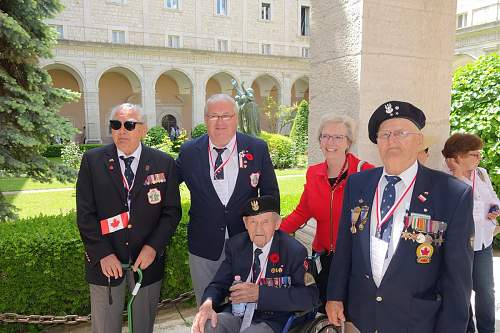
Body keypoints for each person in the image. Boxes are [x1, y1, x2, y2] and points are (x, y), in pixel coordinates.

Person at [326, 100, 474, 333]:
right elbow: (346, 245)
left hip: (415, 321)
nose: (391, 140)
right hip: (362, 318)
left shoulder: (452, 193)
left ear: (419, 141)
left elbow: (457, 278)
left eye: (401, 133)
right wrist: (334, 295)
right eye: (384, 134)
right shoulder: (358, 183)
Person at [76, 103, 182, 333]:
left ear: (143, 130)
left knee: (142, 327)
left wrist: (153, 247)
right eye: (116, 124)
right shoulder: (92, 162)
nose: (122, 130)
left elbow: (171, 212)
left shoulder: (164, 163)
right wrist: (102, 254)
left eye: (129, 125)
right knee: (104, 328)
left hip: (147, 264)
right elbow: (85, 214)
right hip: (105, 265)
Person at [176, 94, 279, 305]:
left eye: (226, 115)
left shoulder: (256, 148)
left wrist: (265, 233)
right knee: (207, 309)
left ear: (236, 118)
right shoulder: (189, 152)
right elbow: (166, 189)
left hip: (246, 244)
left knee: (244, 309)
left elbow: (271, 195)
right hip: (203, 248)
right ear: (205, 119)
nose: (220, 122)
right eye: (214, 116)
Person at [280, 114, 373, 310]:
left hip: (354, 259)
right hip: (323, 257)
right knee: (325, 312)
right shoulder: (314, 173)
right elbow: (302, 212)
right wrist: (272, 231)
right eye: (325, 136)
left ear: (348, 142)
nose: (330, 142)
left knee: (352, 314)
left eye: (338, 137)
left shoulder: (365, 172)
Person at [192, 195, 319, 333]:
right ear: (245, 224)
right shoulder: (236, 246)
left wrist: (261, 294)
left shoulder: (294, 251)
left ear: (277, 224)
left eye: (265, 222)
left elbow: (309, 297)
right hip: (237, 312)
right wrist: (207, 304)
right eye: (253, 222)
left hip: (274, 318)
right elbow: (218, 284)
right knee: (207, 326)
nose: (258, 229)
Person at [442, 133, 500, 333]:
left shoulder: (482, 173)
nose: (479, 158)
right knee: (462, 292)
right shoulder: (445, 178)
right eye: (474, 155)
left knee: (486, 291)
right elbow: (464, 203)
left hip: (483, 242)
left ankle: (487, 330)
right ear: (457, 156)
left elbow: (492, 198)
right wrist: (459, 176)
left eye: (480, 154)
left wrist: (494, 211)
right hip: (460, 245)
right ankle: (468, 329)